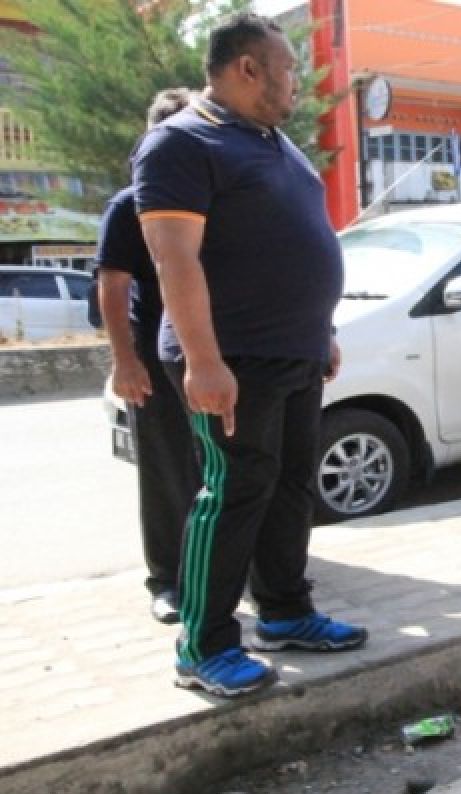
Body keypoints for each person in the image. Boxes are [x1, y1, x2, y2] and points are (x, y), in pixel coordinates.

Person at [134, 12, 367, 698]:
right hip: (231, 357)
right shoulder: (180, 143)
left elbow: (298, 242)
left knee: (291, 486)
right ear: (247, 68)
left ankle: (287, 612)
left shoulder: (274, 143)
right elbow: (173, 259)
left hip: (292, 352)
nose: (298, 80)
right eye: (289, 68)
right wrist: (204, 363)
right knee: (233, 492)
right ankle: (202, 646)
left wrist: (319, 329)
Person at [96, 88, 199, 625]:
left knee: (216, 467)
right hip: (153, 361)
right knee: (165, 472)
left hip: (206, 353)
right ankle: (167, 580)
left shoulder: (206, 199)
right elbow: (111, 287)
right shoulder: (129, 203)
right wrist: (124, 362)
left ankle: (223, 568)